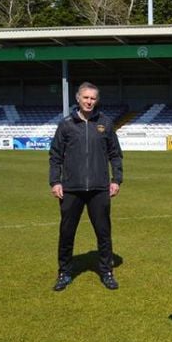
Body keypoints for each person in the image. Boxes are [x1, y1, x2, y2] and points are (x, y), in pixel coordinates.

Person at [49, 82, 123, 292]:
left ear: (96, 100)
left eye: (93, 98)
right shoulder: (66, 125)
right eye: (86, 97)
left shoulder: (105, 124)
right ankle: (64, 272)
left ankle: (106, 271)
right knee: (67, 232)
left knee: (103, 232)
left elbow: (115, 154)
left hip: (100, 188)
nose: (89, 101)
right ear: (78, 98)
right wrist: (55, 181)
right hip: (71, 188)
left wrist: (116, 179)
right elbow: (55, 156)